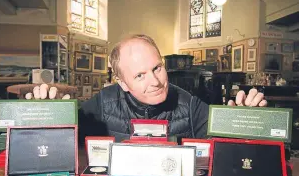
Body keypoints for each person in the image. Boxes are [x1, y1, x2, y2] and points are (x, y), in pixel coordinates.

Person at [27, 34, 267, 144]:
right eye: (139, 75)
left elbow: (228, 145)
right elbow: (62, 138)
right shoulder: (104, 103)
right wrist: (48, 113)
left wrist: (244, 120)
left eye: (157, 68)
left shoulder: (190, 105)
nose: (155, 81)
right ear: (122, 83)